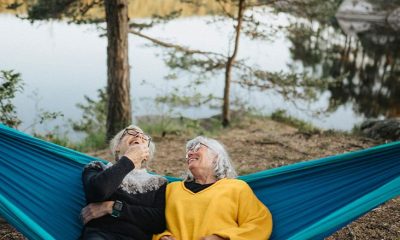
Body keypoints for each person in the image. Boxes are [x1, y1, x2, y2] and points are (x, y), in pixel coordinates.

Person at [154, 136, 273, 240]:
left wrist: (221, 237)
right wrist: (162, 237)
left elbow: (260, 222)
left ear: (216, 156)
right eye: (188, 152)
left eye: (196, 148)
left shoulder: (236, 188)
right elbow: (150, 221)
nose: (189, 153)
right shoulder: (171, 189)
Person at [80, 125, 167, 240]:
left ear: (147, 154)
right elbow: (98, 192)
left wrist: (112, 207)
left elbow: (158, 222)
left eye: (143, 137)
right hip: (102, 236)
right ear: (117, 146)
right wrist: (129, 159)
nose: (139, 135)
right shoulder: (98, 168)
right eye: (130, 132)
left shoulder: (158, 183)